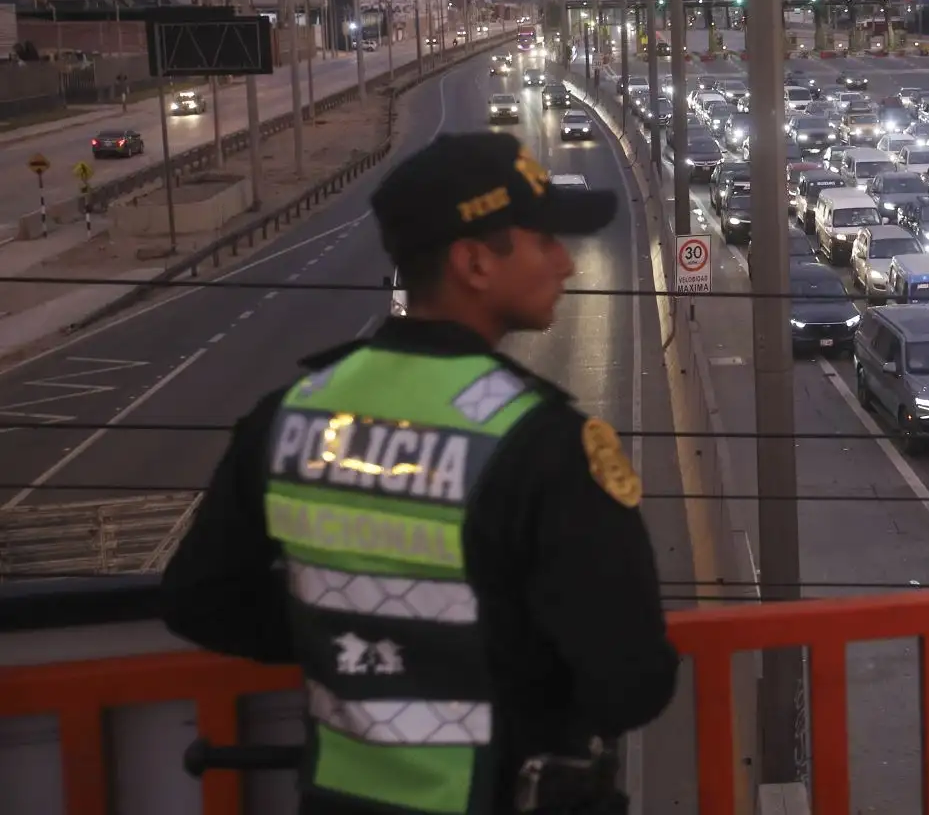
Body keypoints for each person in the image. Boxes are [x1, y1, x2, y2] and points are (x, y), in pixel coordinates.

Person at [162, 131, 678, 814]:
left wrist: (353, 641)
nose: (566, 263)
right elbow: (631, 681)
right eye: (544, 241)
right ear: (473, 262)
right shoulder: (544, 445)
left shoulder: (288, 417)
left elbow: (199, 598)